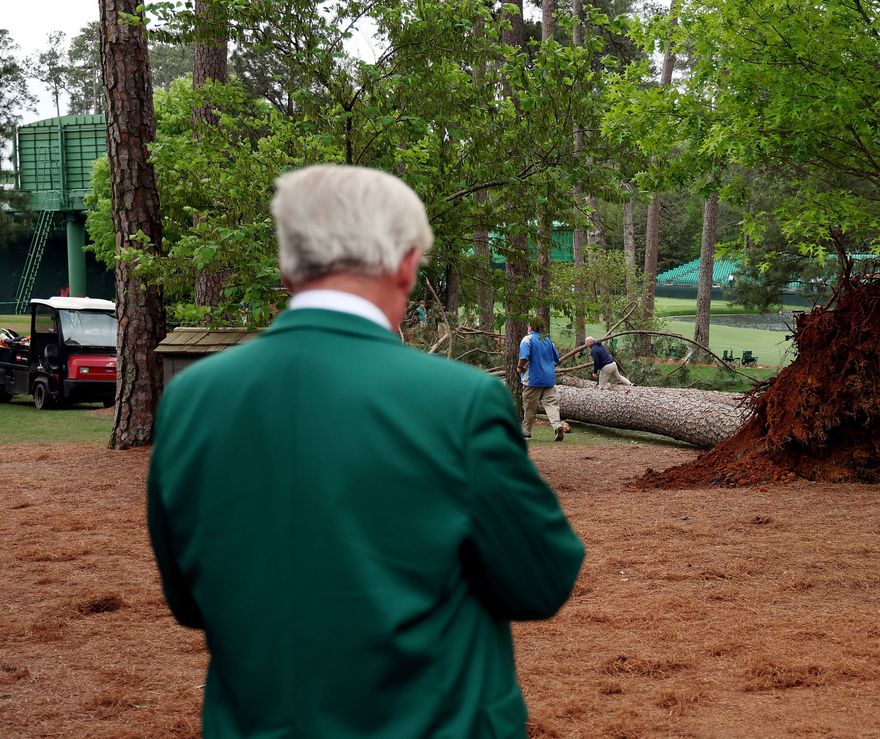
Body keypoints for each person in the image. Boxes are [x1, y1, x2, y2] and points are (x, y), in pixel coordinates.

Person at [147, 165, 584, 737]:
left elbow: (188, 602)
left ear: (287, 266)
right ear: (405, 262)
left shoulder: (191, 400)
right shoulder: (461, 401)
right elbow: (540, 581)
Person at [518, 317, 567, 441]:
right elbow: (557, 358)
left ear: (531, 327)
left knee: (530, 406)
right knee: (552, 405)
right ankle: (557, 426)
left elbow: (524, 357)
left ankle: (526, 431)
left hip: (533, 379)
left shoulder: (527, 339)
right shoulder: (548, 340)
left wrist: (519, 367)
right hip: (549, 379)